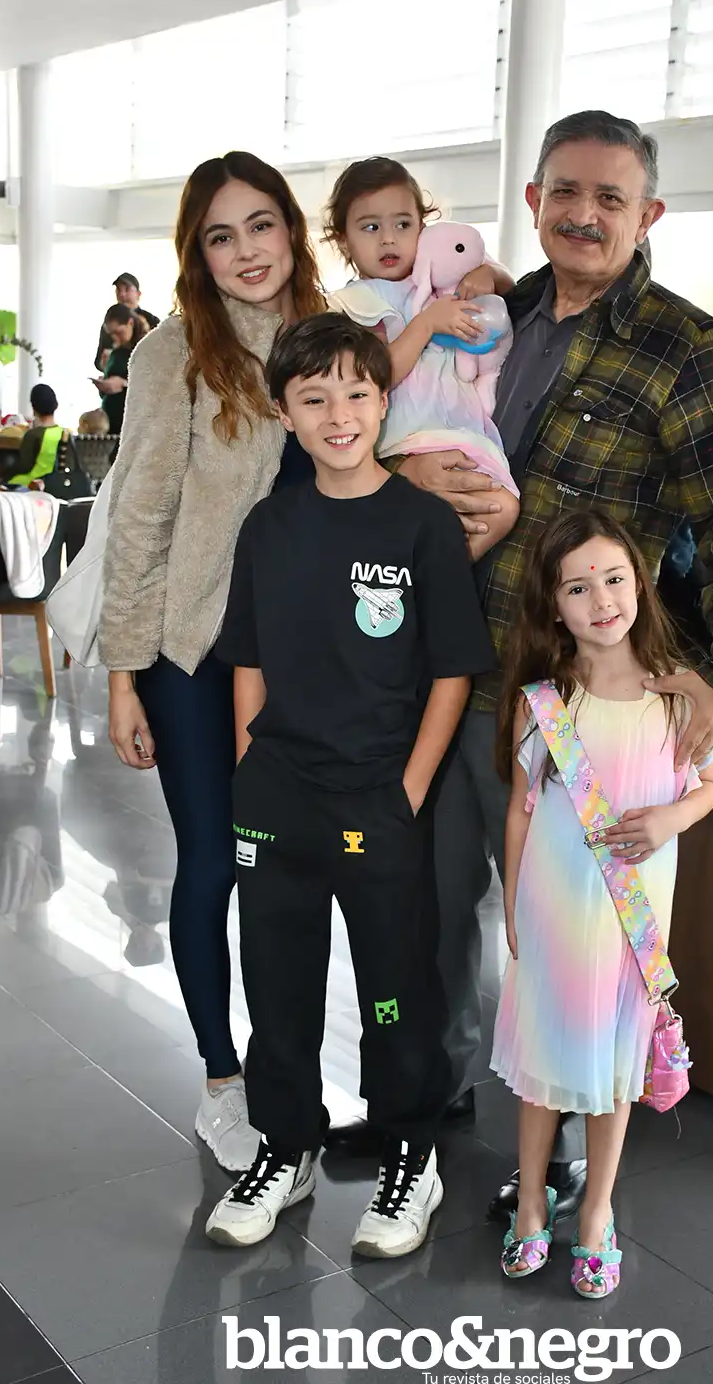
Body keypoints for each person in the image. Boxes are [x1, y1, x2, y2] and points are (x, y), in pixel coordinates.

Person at [323, 110, 713, 1217]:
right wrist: (406, 481)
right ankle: (425, 1104)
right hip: (448, 678)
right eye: (564, 192)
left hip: (577, 706)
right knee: (429, 913)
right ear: (531, 199)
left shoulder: (685, 347)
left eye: (609, 198)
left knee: (573, 932)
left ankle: (566, 1141)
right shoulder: (489, 306)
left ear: (647, 215)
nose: (582, 214)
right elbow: (389, 426)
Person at [203, 312, 494, 1256]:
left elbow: (452, 672)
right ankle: (285, 1147)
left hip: (379, 797)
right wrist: (250, 769)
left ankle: (412, 1154)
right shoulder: (270, 525)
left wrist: (408, 790)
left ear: (383, 400)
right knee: (277, 985)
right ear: (284, 412)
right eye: (315, 398)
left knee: (394, 992)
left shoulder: (421, 524)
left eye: (357, 394)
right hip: (278, 797)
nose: (339, 415)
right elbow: (247, 659)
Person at [99, 150, 327, 1172]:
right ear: (196, 251)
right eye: (220, 235)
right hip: (194, 649)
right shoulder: (173, 351)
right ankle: (222, 1082)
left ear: (291, 227)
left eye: (261, 224)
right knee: (214, 861)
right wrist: (123, 675)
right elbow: (139, 516)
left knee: (289, 867)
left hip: (309, 655)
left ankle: (289, 1073)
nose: (245, 251)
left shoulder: (331, 335)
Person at [491, 509, 713, 1296]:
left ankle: (596, 1213)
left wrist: (670, 818)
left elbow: (709, 786)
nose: (602, 600)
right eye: (578, 587)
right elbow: (520, 810)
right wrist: (513, 909)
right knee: (544, 1061)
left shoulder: (678, 698)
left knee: (615, 1067)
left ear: (641, 583)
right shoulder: (543, 701)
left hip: (634, 922)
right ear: (554, 606)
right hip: (553, 913)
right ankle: (531, 1202)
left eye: (615, 579)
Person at [324, 157, 520, 559]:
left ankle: (440, 576)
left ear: (422, 227)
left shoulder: (438, 282)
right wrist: (426, 325)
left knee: (502, 507)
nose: (388, 240)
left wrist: (487, 275)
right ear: (343, 240)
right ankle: (413, 577)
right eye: (370, 227)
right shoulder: (355, 304)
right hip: (401, 442)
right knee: (416, 522)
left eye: (403, 224)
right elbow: (372, 379)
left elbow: (507, 281)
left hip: (461, 430)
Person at [91, 305, 150, 440]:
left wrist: (123, 384)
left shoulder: (146, 350)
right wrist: (105, 383)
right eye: (111, 334)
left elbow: (153, 385)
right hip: (110, 424)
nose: (115, 338)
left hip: (133, 424)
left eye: (118, 332)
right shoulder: (116, 353)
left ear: (130, 323)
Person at [0, 384, 65, 490]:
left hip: (29, 485)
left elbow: (23, 466)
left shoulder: (33, 435)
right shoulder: (63, 433)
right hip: (52, 485)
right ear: (56, 405)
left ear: (33, 407)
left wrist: (0, 471)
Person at [94, 273, 161, 371]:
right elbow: (99, 361)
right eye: (118, 290)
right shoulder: (109, 322)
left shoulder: (152, 321)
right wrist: (105, 363)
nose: (122, 294)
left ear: (138, 294)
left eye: (127, 289)